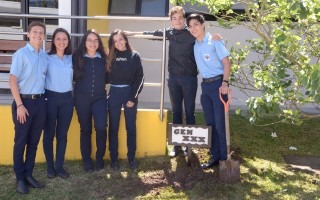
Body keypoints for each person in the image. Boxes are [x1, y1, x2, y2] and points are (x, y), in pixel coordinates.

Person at [125, 6, 222, 158]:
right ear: (171, 21)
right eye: (174, 18)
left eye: (180, 18)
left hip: (189, 79)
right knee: (176, 111)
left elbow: (204, 37)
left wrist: (216, 36)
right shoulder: (169, 33)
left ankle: (188, 147)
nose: (177, 21)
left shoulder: (191, 33)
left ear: (184, 19)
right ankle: (176, 146)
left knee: (189, 112)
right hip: (174, 79)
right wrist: (131, 34)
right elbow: (152, 33)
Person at [186, 13, 231, 169]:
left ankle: (225, 159)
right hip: (205, 86)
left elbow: (226, 63)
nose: (193, 28)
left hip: (218, 85)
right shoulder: (195, 45)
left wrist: (225, 82)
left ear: (203, 24)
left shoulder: (214, 41)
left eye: (196, 24)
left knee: (220, 124)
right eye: (190, 26)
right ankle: (215, 156)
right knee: (210, 123)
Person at [9, 21, 47, 194]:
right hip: (23, 103)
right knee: (21, 142)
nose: (38, 35)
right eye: (35, 32)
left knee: (33, 142)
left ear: (44, 36)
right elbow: (12, 80)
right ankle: (19, 179)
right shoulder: (21, 54)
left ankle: (29, 175)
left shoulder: (44, 56)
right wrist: (19, 105)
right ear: (28, 34)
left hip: (40, 103)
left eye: (41, 33)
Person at [107, 29, 144, 170]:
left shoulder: (134, 56)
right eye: (115, 41)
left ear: (126, 40)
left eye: (121, 39)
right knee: (113, 127)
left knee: (130, 127)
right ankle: (114, 159)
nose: (118, 43)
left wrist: (133, 97)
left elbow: (139, 78)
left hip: (129, 93)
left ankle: (131, 158)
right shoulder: (110, 56)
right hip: (114, 93)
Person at [72, 29, 108, 172]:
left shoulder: (104, 58)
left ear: (99, 42)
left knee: (100, 127)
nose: (92, 43)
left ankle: (99, 157)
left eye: (95, 40)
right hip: (82, 98)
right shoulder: (77, 56)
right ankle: (86, 160)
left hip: (100, 98)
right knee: (85, 129)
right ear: (84, 42)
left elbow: (109, 76)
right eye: (89, 40)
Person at [43, 28, 73, 179]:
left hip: (67, 100)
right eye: (58, 39)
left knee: (62, 135)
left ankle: (59, 166)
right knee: (49, 134)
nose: (62, 42)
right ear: (53, 41)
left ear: (68, 41)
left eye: (65, 39)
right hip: (50, 99)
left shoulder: (72, 58)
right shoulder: (45, 57)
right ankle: (50, 167)